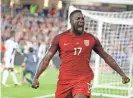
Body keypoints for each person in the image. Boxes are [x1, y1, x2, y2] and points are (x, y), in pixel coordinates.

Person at [32, 10, 130, 98]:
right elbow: (46, 59)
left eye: (82, 18)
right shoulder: (60, 38)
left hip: (83, 79)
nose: (81, 20)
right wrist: (36, 77)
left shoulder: (92, 39)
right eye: (78, 18)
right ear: (71, 22)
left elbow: (106, 56)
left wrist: (122, 74)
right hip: (64, 81)